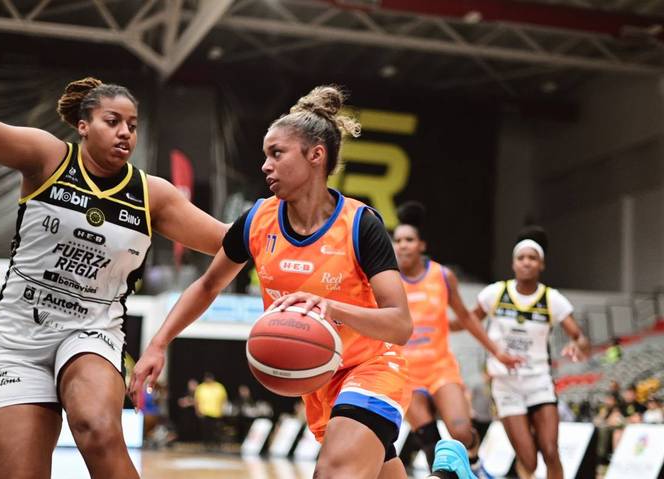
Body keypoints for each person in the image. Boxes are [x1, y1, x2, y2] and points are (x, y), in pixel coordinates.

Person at [0, 1, 228, 477]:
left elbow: (233, 241)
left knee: (96, 427)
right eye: (112, 121)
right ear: (83, 126)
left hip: (91, 330)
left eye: (132, 125)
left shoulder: (152, 194)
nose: (125, 133)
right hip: (20, 337)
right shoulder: (47, 158)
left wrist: (300, 216)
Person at [130, 85, 421, 478]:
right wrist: (158, 344)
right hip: (318, 380)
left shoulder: (360, 225)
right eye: (265, 155)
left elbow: (400, 324)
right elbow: (208, 286)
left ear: (316, 155)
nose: (266, 165)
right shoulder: (257, 220)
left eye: (277, 153)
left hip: (372, 368)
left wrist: (332, 308)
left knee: (333, 473)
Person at [393, 202, 521, 478]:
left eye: (409, 240)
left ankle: (474, 464)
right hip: (405, 373)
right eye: (398, 240)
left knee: (461, 432)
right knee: (429, 440)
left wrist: (496, 351)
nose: (402, 245)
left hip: (440, 368)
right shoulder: (388, 280)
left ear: (422, 245)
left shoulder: (442, 276)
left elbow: (466, 317)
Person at [472, 226, 590, 479]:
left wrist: (577, 345)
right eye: (521, 258)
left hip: (539, 382)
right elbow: (469, 320)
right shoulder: (495, 293)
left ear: (541, 264)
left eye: (532, 258)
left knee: (550, 451)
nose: (526, 262)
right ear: (513, 264)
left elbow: (580, 337)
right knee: (529, 460)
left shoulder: (552, 298)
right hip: (506, 384)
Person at [194, 372, 228, 451]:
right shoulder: (201, 387)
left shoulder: (219, 387)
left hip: (217, 413)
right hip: (205, 412)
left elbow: (224, 399)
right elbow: (196, 400)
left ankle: (217, 445)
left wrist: (223, 409)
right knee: (206, 430)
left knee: (217, 430)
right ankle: (207, 445)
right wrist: (197, 410)